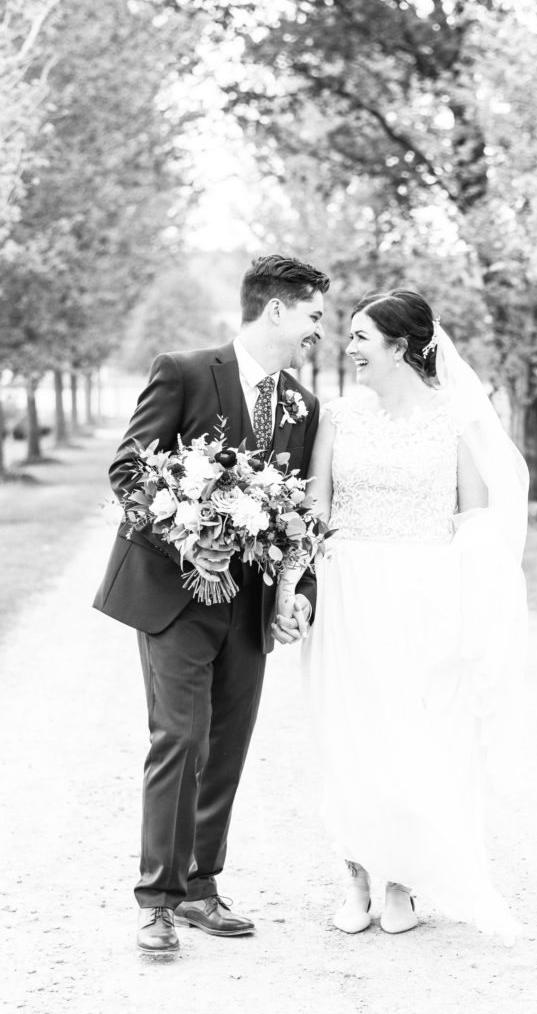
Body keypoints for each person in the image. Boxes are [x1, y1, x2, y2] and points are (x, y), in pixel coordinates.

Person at [93, 255, 329, 954]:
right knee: (180, 739)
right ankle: (158, 900)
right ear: (278, 310)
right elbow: (130, 469)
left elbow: (300, 518)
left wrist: (302, 593)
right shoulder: (186, 371)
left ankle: (202, 889)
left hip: (250, 608)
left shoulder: (303, 406)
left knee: (226, 747)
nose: (320, 329)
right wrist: (187, 538)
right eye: (315, 315)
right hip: (174, 594)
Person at [300, 289, 528, 942]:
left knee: (413, 737)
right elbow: (317, 501)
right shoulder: (339, 416)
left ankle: (400, 880)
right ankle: (355, 878)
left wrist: (477, 603)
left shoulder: (454, 419)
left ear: (400, 348)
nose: (349, 348)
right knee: (346, 734)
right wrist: (298, 574)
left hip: (423, 594)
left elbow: (477, 518)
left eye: (362, 337)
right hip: (347, 592)